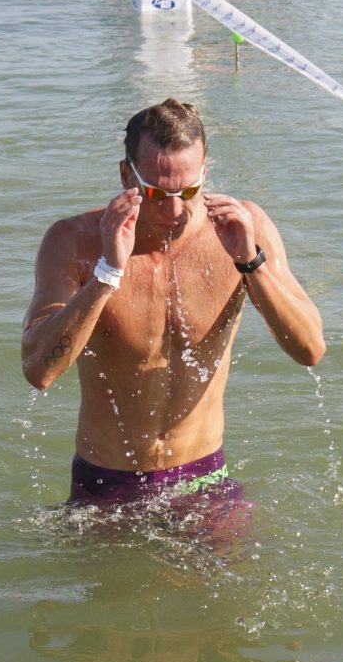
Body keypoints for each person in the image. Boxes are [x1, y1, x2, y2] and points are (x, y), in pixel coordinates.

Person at [20, 99, 325, 526]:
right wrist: (107, 272)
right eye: (156, 193)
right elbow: (38, 370)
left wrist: (250, 262)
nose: (174, 210)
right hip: (105, 485)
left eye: (189, 190)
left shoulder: (243, 228)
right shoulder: (75, 242)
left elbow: (310, 349)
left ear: (205, 172)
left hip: (204, 479)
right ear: (128, 176)